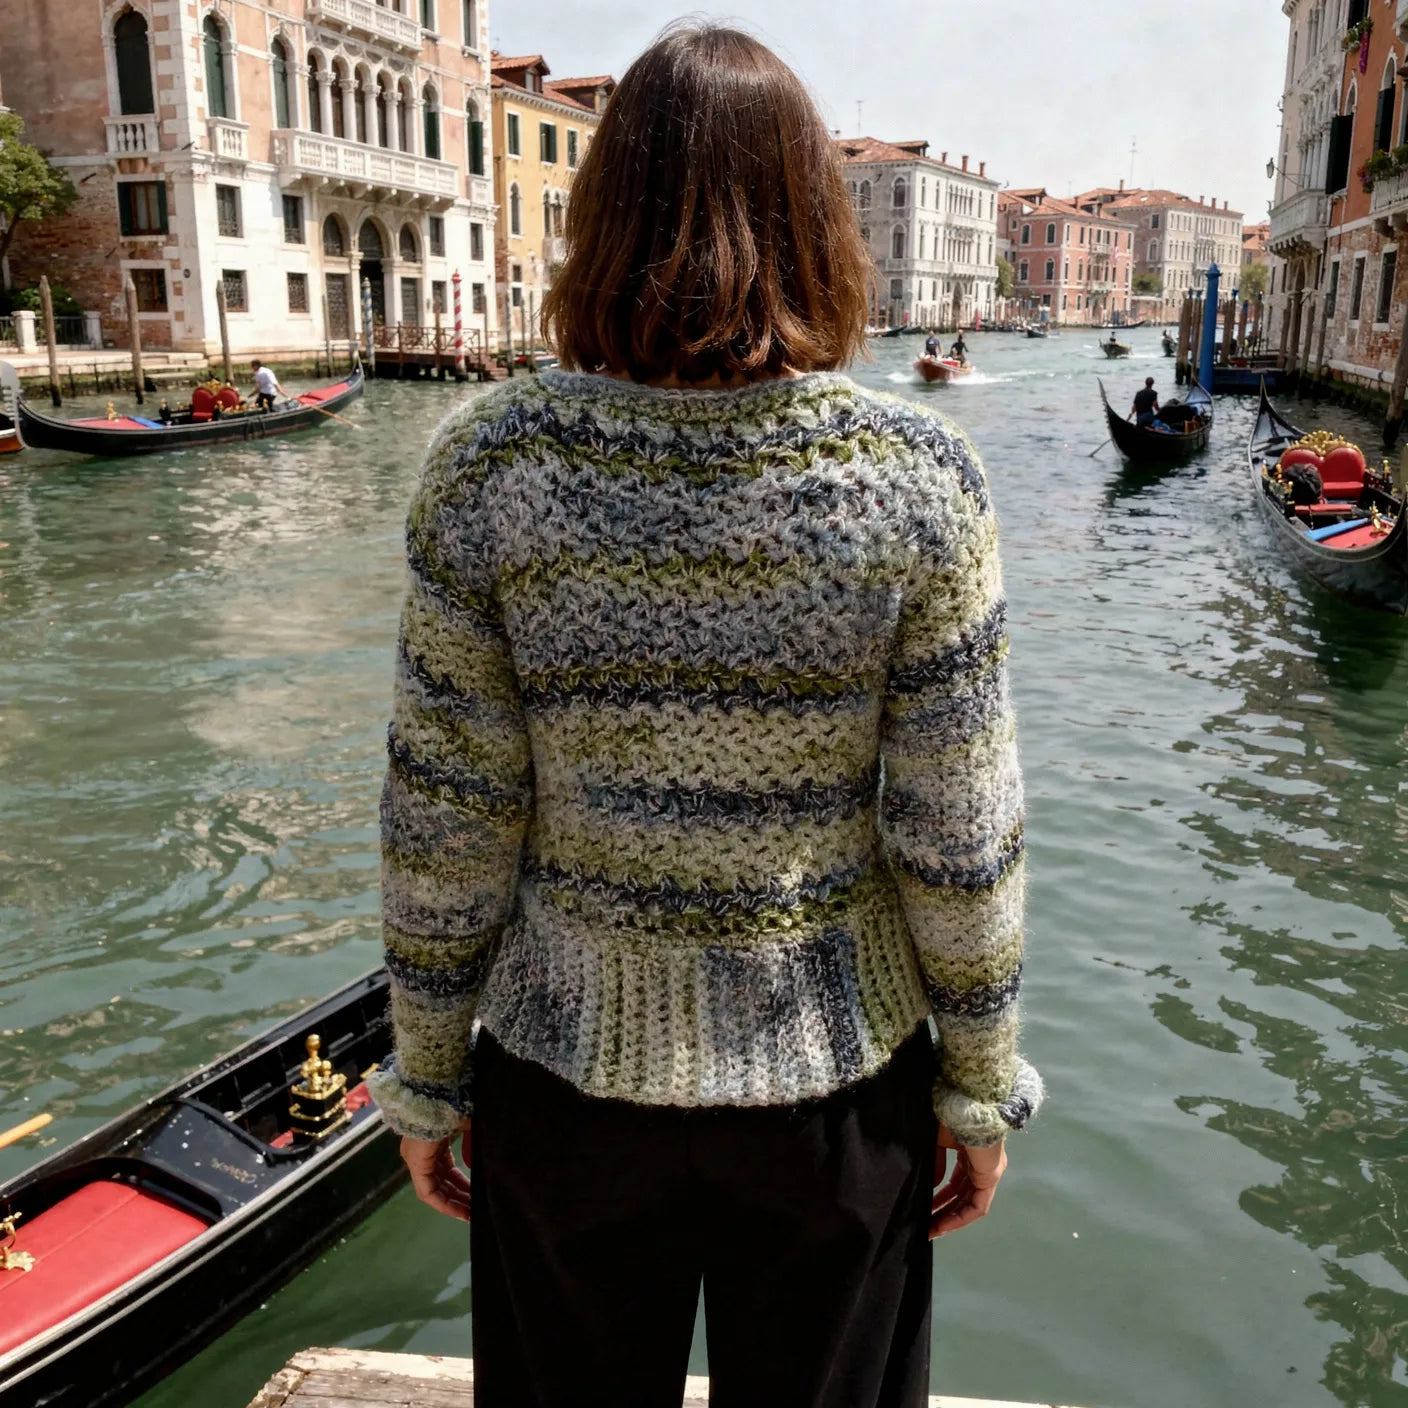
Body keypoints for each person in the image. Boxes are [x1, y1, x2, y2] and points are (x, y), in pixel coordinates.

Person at [368, 23, 1041, 1408]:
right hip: (832, 1093)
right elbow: (959, 835)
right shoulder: (920, 482)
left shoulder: (490, 469)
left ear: (601, 220)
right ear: (817, 224)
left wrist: (427, 1075)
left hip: (563, 1083)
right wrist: (979, 1085)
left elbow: (447, 818)